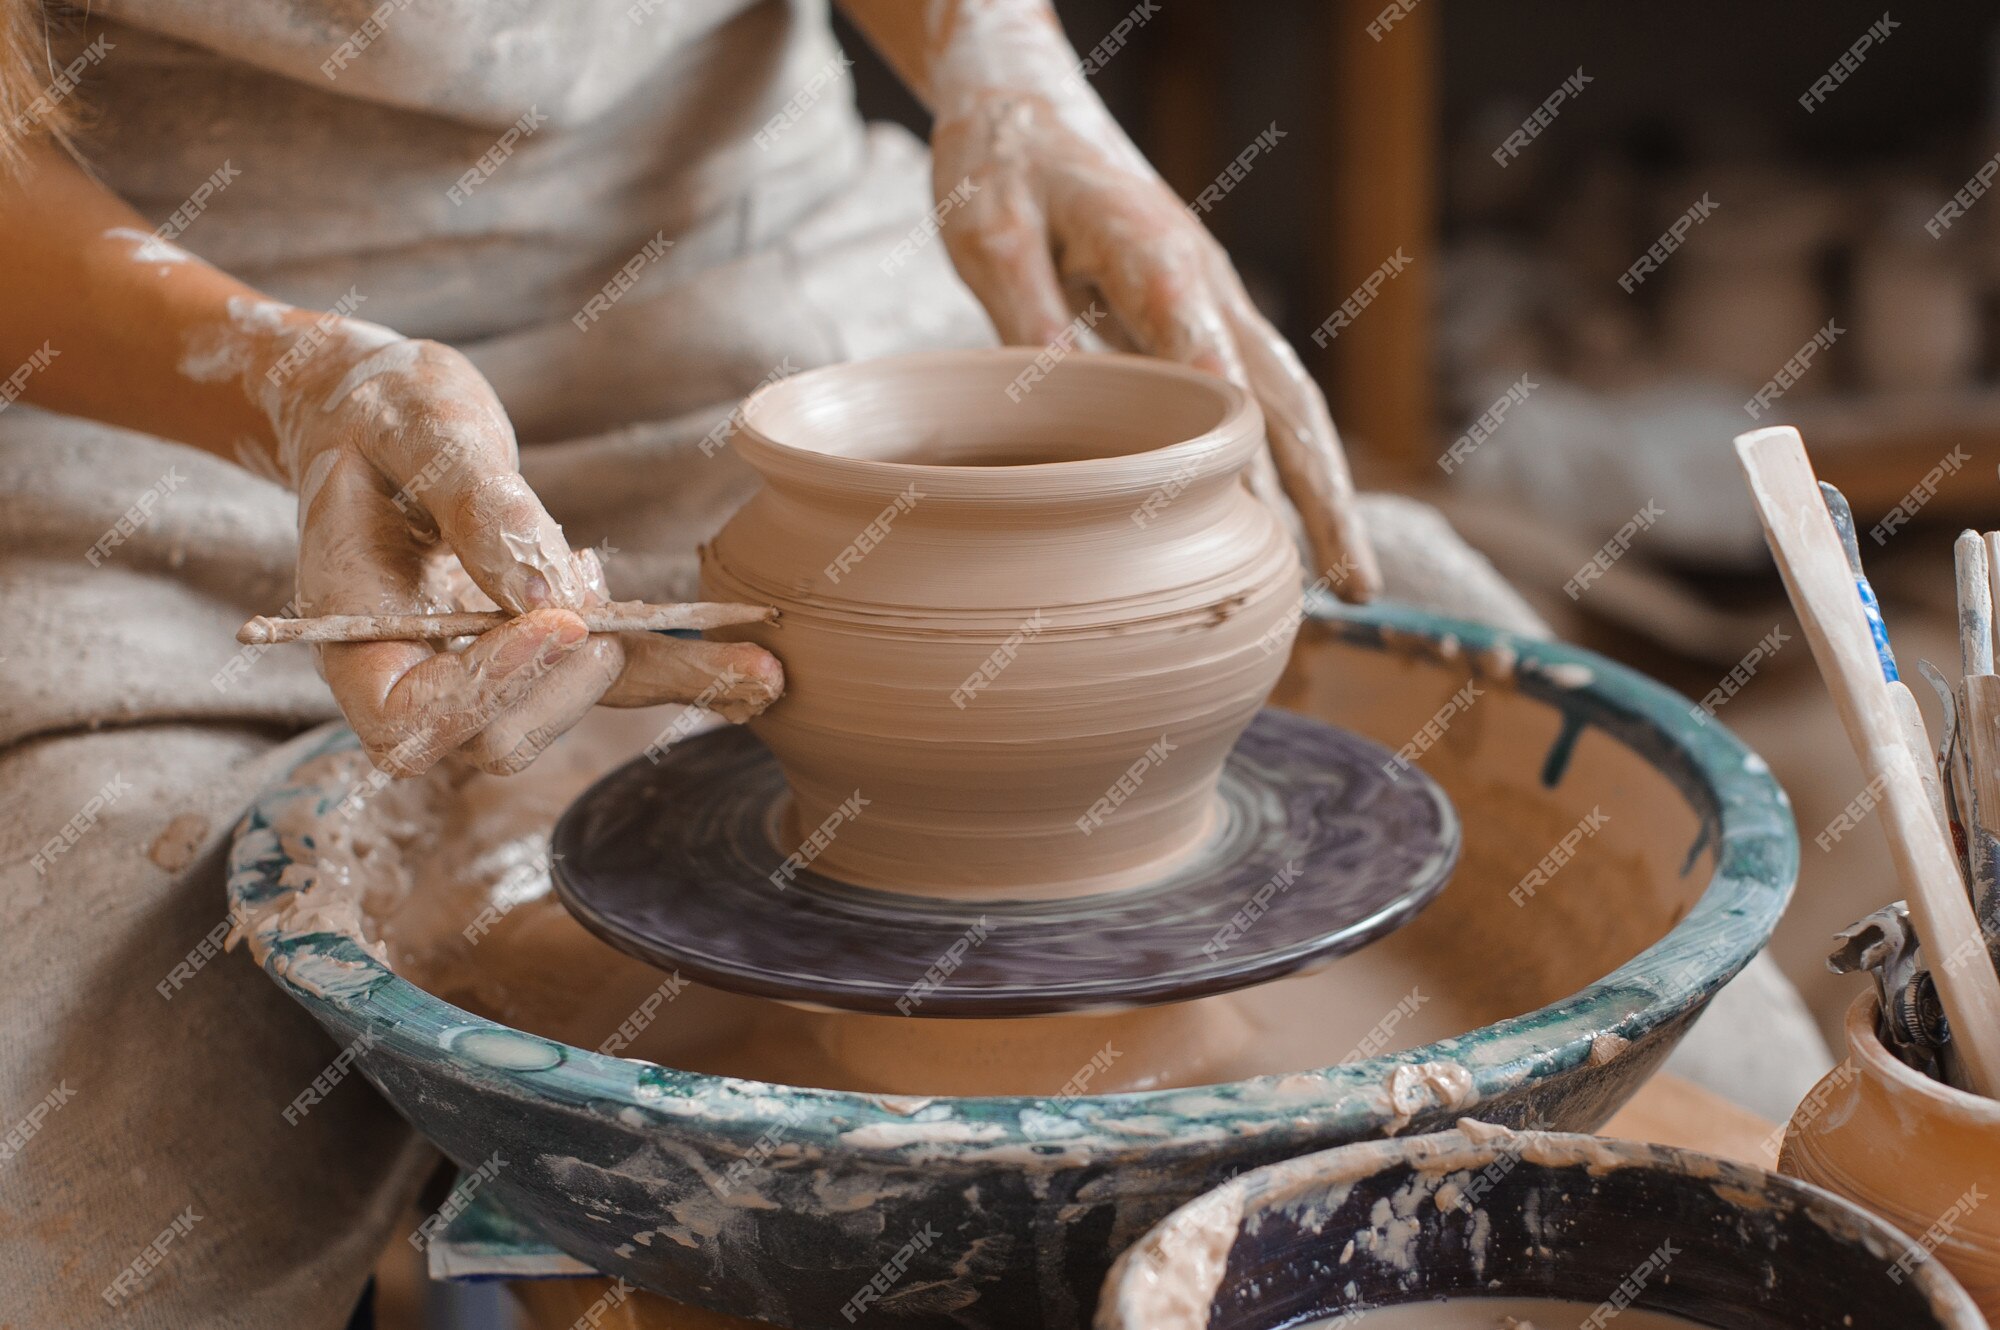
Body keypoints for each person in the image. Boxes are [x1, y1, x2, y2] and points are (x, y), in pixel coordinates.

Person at [0, 1, 1822, 1325]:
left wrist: (998, 59)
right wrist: (288, 379)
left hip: (763, 280)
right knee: (94, 1109)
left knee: (1498, 734)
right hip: (188, 368)